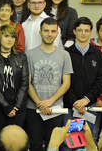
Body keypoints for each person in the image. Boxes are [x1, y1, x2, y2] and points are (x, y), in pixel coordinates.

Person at [24, 18, 72, 151]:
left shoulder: (64, 55)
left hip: (55, 109)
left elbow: (66, 83)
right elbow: (27, 83)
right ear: (40, 33)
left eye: (53, 31)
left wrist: (50, 102)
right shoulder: (29, 55)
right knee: (35, 145)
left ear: (57, 33)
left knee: (54, 144)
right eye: (46, 31)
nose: (49, 34)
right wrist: (40, 103)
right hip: (33, 108)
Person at [62, 17, 102, 145]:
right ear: (74, 31)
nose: (83, 33)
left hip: (89, 106)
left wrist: (85, 100)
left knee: (88, 141)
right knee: (69, 142)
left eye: (86, 30)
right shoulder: (66, 54)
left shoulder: (98, 55)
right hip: (70, 106)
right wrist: (75, 102)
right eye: (80, 30)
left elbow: (101, 81)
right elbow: (63, 80)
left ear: (91, 31)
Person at [0, 25, 29, 148]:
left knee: (15, 144)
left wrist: (16, 107)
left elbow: (25, 83)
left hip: (18, 109)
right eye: (6, 36)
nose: (10, 39)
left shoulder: (21, 57)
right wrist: (5, 106)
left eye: (13, 36)